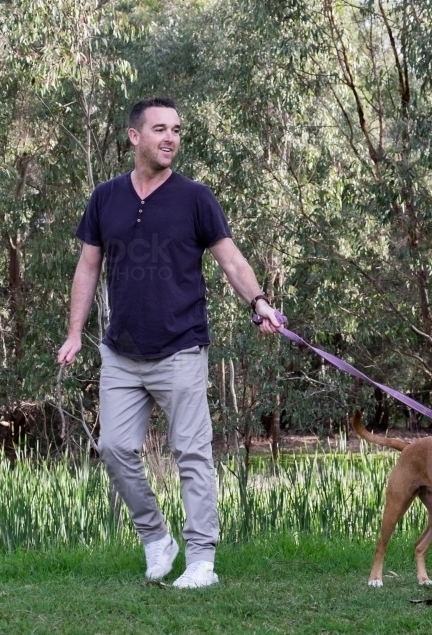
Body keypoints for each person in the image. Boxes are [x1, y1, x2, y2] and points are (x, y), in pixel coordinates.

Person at [56, 96, 281, 588]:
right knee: (114, 447)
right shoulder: (105, 199)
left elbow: (231, 261)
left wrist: (259, 302)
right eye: (160, 129)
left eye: (176, 130)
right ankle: (157, 538)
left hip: (181, 347)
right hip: (121, 352)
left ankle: (201, 560)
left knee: (193, 454)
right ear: (134, 136)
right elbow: (88, 267)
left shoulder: (195, 198)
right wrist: (75, 332)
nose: (171, 138)